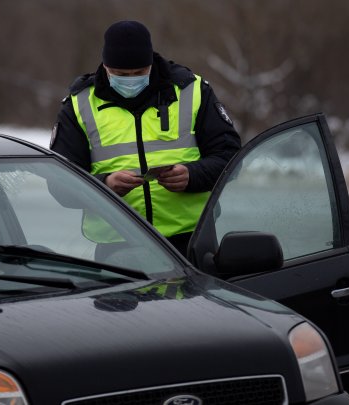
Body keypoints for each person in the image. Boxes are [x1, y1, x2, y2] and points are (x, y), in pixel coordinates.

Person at [50, 20, 241, 255]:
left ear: (151, 62)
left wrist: (192, 175)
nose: (130, 80)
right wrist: (105, 185)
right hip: (118, 247)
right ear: (105, 66)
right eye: (120, 74)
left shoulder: (193, 91)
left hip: (191, 241)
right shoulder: (78, 105)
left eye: (140, 73)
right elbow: (60, 183)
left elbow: (230, 157)